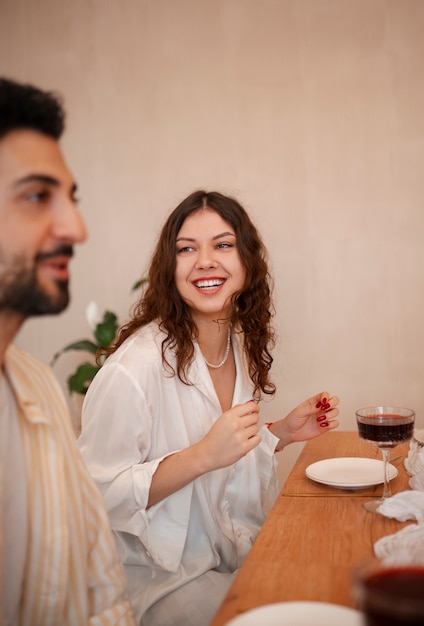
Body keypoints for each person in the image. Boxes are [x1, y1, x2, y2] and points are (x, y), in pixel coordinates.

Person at [78, 190, 340, 625]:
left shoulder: (235, 347)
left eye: (222, 245)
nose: (205, 261)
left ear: (247, 263)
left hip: (228, 560)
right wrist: (200, 455)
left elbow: (224, 467)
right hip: (158, 582)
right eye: (186, 249)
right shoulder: (134, 369)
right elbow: (92, 498)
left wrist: (281, 434)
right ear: (170, 268)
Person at [0, 77, 136, 625]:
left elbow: (99, 582)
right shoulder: (128, 368)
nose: (76, 227)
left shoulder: (37, 387)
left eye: (70, 198)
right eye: (37, 196)